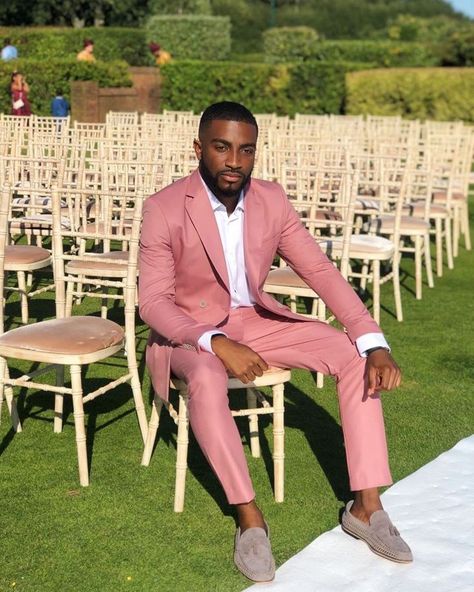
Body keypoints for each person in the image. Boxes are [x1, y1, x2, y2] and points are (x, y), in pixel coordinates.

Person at [139, 101, 413, 583]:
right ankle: (249, 518)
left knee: (350, 356)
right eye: (222, 148)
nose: (234, 161)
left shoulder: (271, 200)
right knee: (205, 374)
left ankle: (366, 507)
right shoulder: (164, 207)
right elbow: (154, 305)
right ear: (199, 148)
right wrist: (215, 341)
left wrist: (374, 342)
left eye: (246, 150)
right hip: (185, 332)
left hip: (256, 321)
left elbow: (322, 273)